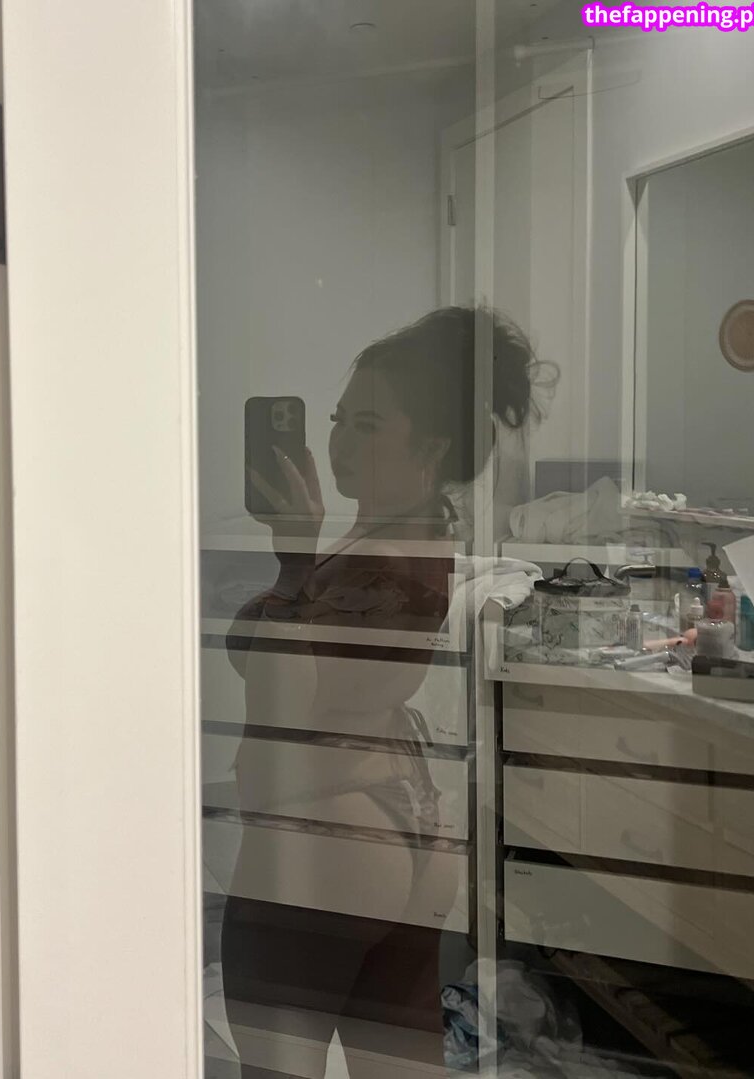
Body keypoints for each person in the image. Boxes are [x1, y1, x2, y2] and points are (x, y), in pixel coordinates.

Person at [219, 305, 547, 1078]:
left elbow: (285, 714)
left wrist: (293, 562)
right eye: (338, 419)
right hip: (393, 832)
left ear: (430, 448)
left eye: (366, 425)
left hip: (324, 843)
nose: (337, 441)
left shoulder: (385, 558)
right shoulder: (403, 536)